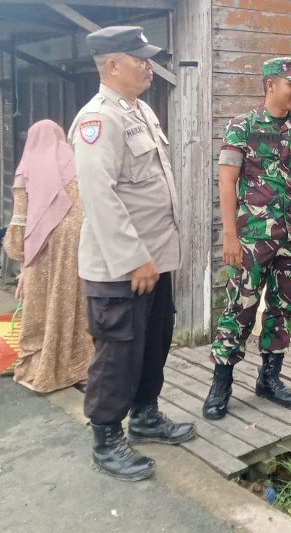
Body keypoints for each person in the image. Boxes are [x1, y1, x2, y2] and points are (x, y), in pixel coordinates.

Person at [69, 25, 194, 482]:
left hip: (154, 263)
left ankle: (145, 415)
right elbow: (99, 197)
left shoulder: (141, 112)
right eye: (139, 58)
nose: (148, 65)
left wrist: (155, 259)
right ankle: (106, 438)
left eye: (149, 58)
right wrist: (133, 259)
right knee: (117, 353)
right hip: (123, 268)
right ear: (111, 65)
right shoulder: (97, 120)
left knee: (154, 344)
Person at [203, 56, 291, 419]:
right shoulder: (241, 126)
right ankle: (221, 382)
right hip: (252, 238)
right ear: (270, 85)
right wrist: (229, 235)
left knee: (283, 306)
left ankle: (269, 378)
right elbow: (226, 182)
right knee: (240, 307)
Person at [2, 120, 93, 392]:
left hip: (44, 243)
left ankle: (44, 368)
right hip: (78, 242)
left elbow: (20, 217)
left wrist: (19, 254)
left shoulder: (26, 168)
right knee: (75, 302)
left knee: (44, 301)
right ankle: (81, 367)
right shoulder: (73, 162)